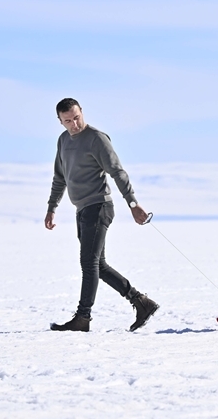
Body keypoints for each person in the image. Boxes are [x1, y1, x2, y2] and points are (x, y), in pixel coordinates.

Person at [45, 98, 159, 332]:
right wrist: (51, 207)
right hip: (82, 209)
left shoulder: (96, 138)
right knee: (99, 265)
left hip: (99, 207)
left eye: (76, 117)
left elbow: (117, 172)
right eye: (67, 121)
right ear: (60, 121)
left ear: (82, 112)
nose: (74, 124)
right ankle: (141, 302)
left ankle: (83, 317)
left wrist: (133, 203)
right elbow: (60, 177)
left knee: (89, 262)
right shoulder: (63, 140)